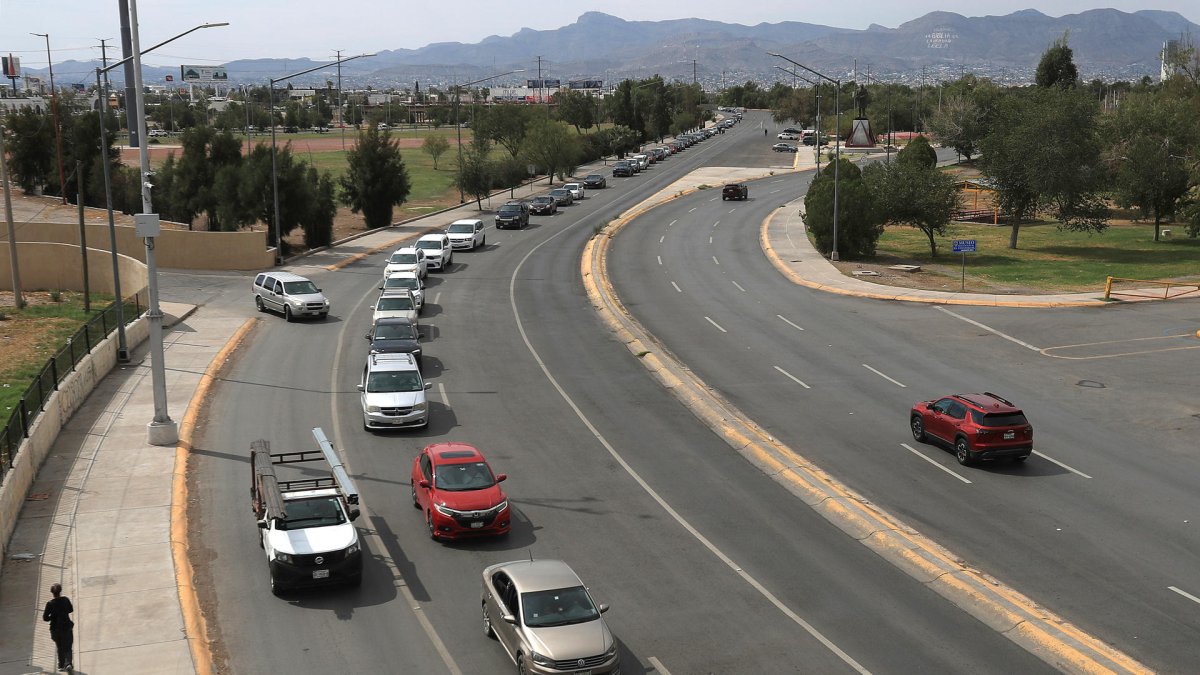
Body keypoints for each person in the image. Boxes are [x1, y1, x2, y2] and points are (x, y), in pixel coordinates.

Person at [43, 583, 74, 672]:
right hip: (66, 627)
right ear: (60, 591)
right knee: (68, 646)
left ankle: (61, 665)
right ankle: (68, 663)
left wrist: (52, 617)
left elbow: (45, 618)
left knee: (59, 646)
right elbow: (71, 609)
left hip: (55, 629)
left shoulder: (49, 604)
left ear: (52, 593)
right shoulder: (65, 600)